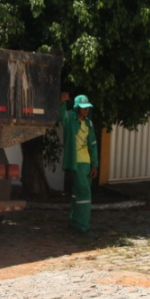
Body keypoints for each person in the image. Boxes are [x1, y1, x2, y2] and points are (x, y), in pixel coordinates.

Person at [60, 92, 99, 235]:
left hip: (87, 164)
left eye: (87, 107)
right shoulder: (70, 118)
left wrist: (94, 164)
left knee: (77, 193)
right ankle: (83, 227)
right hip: (76, 163)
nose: (86, 110)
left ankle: (74, 222)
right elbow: (61, 116)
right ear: (77, 108)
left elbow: (93, 145)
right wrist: (62, 102)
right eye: (83, 107)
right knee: (85, 194)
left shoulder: (89, 123)